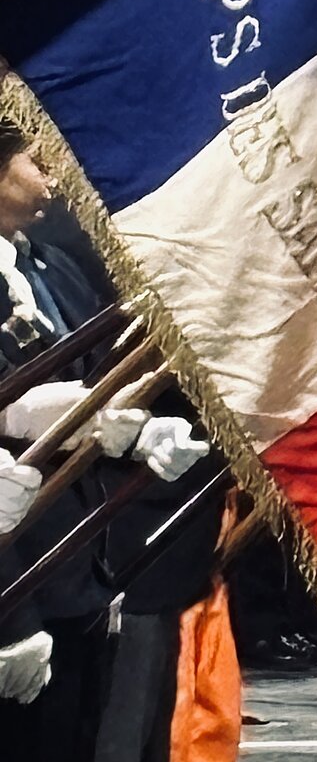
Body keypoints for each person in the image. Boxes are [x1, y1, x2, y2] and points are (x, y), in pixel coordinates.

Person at [0, 119, 210, 760]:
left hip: (79, 559)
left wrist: (141, 433)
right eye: (38, 162)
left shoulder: (51, 265)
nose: (53, 178)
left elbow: (97, 388)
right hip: (15, 566)